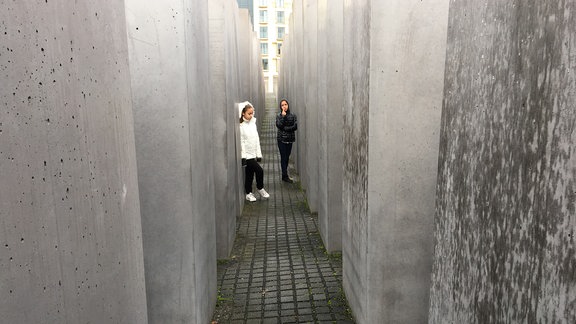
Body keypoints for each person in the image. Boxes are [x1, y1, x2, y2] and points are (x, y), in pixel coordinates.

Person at [239, 103, 270, 201]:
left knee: (249, 175)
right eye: (249, 113)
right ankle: (260, 188)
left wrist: (258, 154)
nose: (251, 115)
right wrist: (243, 157)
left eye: (252, 113)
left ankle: (248, 193)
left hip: (252, 154)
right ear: (243, 113)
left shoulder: (253, 124)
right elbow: (242, 143)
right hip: (247, 156)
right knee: (259, 171)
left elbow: (256, 140)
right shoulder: (241, 126)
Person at [275, 99, 297, 183]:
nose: (284, 106)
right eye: (282, 105)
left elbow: (295, 126)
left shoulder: (293, 115)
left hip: (290, 139)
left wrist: (286, 129)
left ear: (288, 105)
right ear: (280, 107)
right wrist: (283, 117)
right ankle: (285, 175)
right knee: (283, 157)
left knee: (287, 157)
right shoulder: (279, 116)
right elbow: (279, 125)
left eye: (285, 104)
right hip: (281, 140)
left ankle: (284, 175)